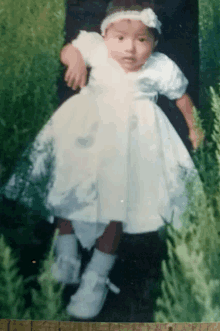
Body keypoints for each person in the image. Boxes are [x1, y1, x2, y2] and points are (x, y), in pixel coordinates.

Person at [3, 0, 204, 320]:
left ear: (154, 42)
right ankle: (66, 253)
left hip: (134, 143)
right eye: (121, 38)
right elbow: (70, 49)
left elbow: (181, 97)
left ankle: (97, 273)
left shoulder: (159, 66)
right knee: (70, 187)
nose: (130, 48)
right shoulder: (96, 48)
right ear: (105, 34)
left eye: (142, 40)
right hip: (88, 133)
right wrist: (76, 61)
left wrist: (193, 128)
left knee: (117, 204)